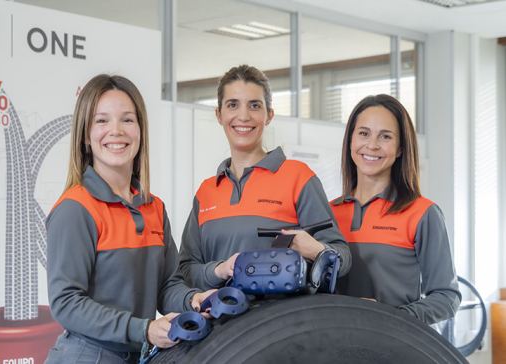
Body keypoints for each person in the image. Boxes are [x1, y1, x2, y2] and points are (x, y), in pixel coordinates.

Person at [45, 74, 212, 364]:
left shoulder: (154, 208)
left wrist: (193, 300)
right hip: (87, 356)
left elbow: (166, 285)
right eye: (102, 121)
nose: (116, 131)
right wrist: (144, 329)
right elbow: (66, 303)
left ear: (140, 130)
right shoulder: (76, 208)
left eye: (127, 120)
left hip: (137, 354)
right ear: (85, 135)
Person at [178, 65, 351, 291]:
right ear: (219, 115)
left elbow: (343, 258)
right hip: (221, 322)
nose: (243, 116)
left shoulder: (298, 177)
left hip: (281, 323)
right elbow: (186, 271)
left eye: (254, 106)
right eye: (232, 105)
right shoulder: (207, 192)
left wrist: (318, 250)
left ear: (269, 115)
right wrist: (219, 269)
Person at [331, 94, 461, 325]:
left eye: (385, 136)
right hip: (334, 346)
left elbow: (447, 298)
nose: (372, 145)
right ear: (350, 140)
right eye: (363, 133)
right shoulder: (327, 213)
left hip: (394, 348)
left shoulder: (422, 213)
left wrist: (392, 317)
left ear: (400, 148)